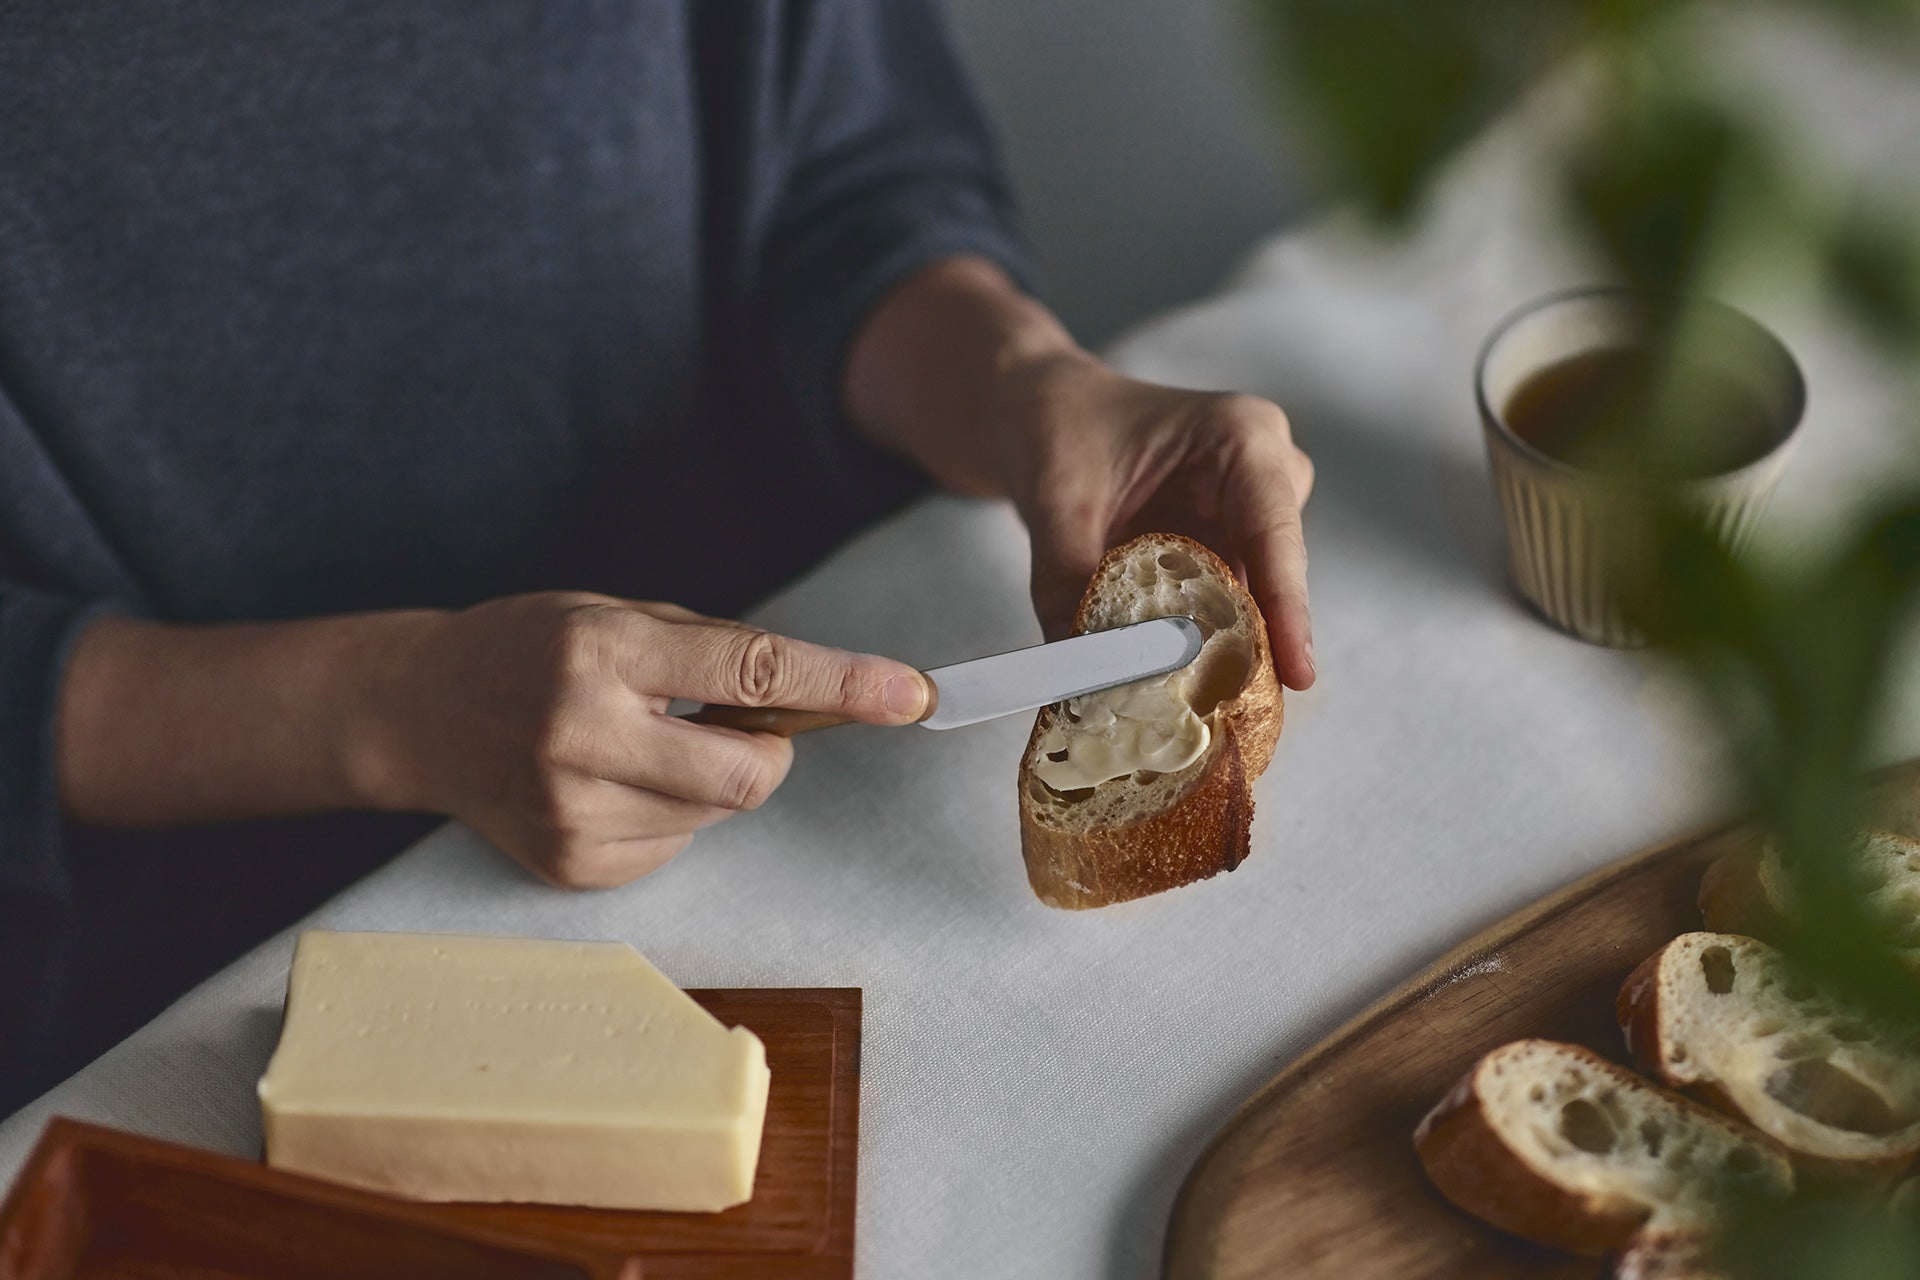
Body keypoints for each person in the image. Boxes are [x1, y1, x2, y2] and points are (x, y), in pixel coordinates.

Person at [0, 0, 1313, 1111]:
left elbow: (843, 170)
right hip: (177, 958)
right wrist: (386, 705)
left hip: (790, 767)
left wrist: (1017, 379)